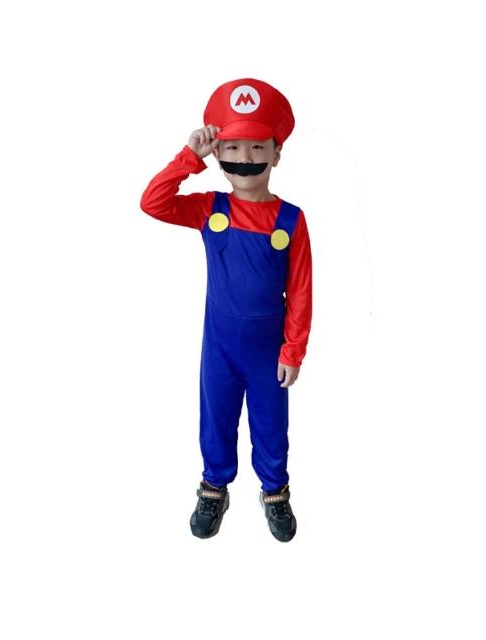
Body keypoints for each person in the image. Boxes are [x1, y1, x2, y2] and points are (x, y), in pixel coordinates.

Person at [139, 78, 312, 542]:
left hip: (267, 351)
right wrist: (188, 156)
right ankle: (214, 486)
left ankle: (275, 490)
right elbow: (152, 203)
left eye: (257, 147)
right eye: (232, 147)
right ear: (218, 154)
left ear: (277, 153)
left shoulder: (291, 219)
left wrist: (293, 350)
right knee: (215, 417)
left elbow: (301, 290)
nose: (245, 158)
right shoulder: (208, 209)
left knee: (270, 424)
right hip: (219, 348)